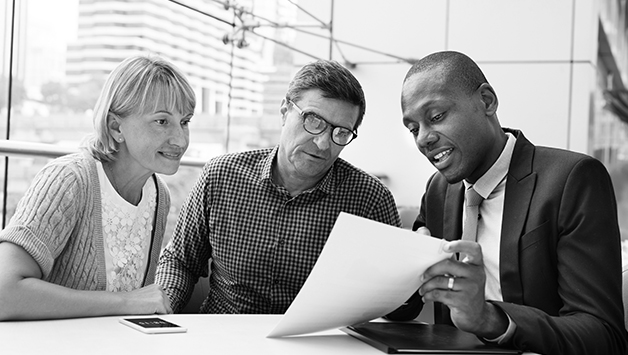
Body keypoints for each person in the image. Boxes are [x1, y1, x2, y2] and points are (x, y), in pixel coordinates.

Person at [389, 50, 628, 355]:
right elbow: (410, 305)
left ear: (487, 101)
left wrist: (491, 319)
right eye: (413, 129)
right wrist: (398, 274)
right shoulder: (438, 190)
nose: (423, 138)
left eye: (436, 117)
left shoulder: (571, 180)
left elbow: (604, 336)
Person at [156, 59, 402, 314]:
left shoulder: (370, 199)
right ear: (285, 111)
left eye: (340, 133)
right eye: (313, 120)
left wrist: (412, 277)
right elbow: (180, 261)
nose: (322, 143)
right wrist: (162, 307)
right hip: (223, 338)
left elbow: (396, 302)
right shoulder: (222, 176)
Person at [0, 55, 195, 320]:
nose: (180, 139)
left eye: (184, 121)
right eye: (162, 121)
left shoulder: (159, 195)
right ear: (116, 127)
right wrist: (125, 302)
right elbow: (4, 293)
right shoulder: (69, 180)